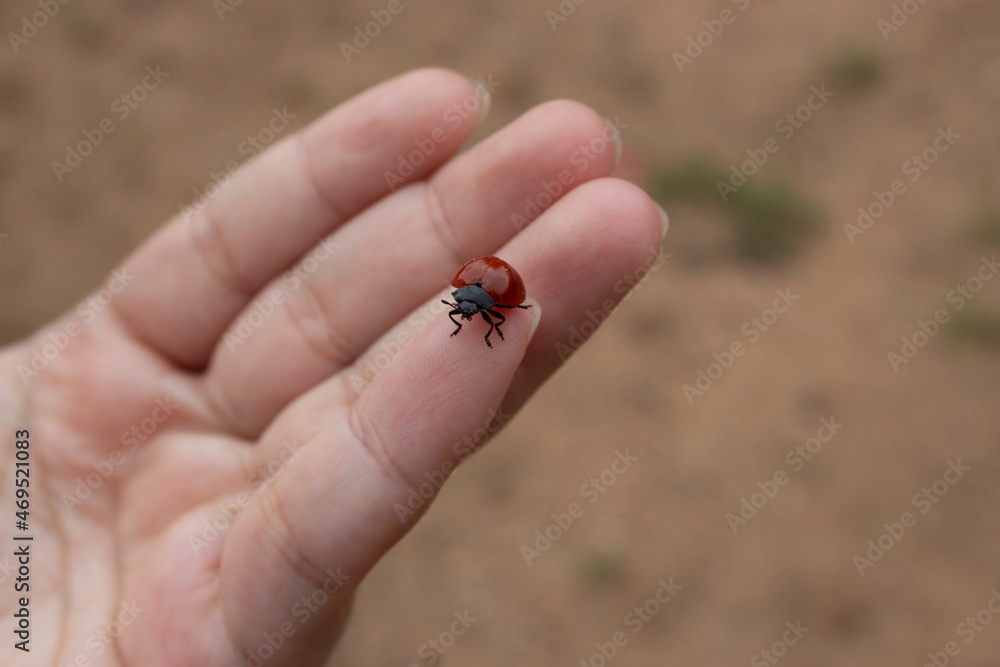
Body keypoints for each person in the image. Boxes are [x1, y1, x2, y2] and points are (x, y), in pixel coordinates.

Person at [1, 68, 668, 666]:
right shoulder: (479, 293)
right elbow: (485, 297)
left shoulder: (487, 294)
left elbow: (494, 296)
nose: (464, 309)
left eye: (468, 305)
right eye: (467, 304)